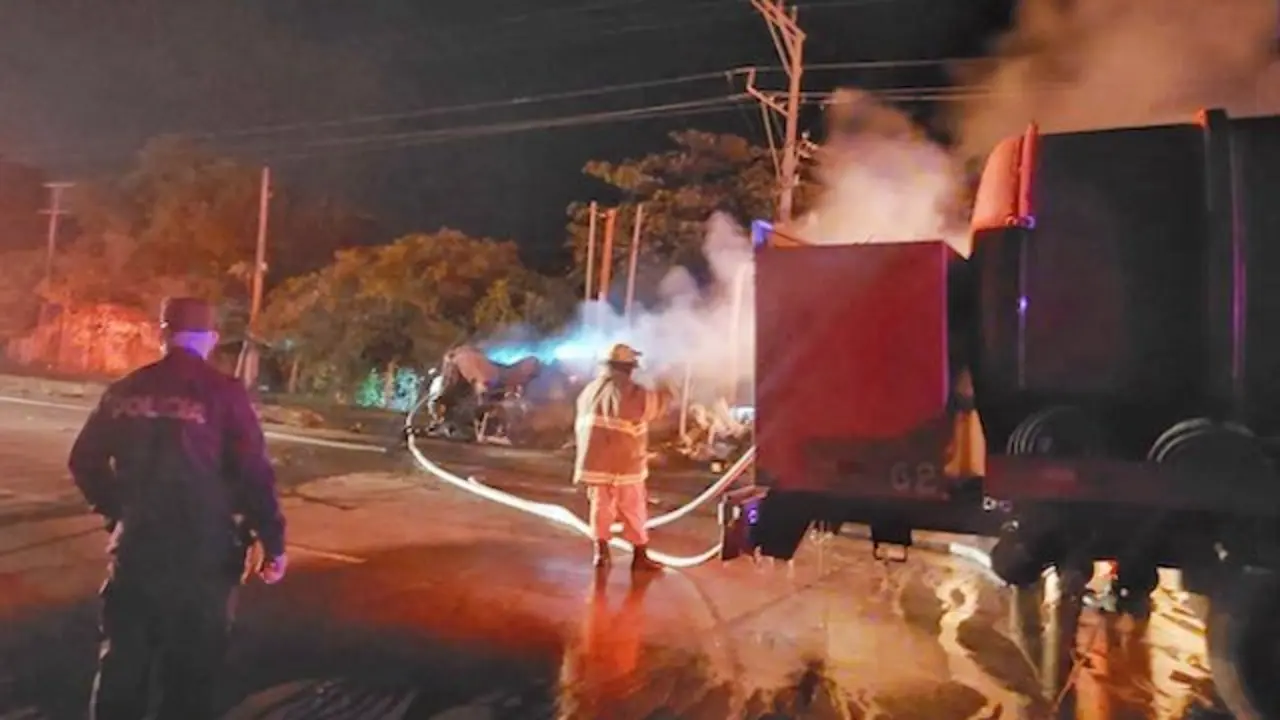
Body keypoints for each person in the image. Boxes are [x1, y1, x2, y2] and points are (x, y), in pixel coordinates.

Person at [68, 297, 287, 720]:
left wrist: (118, 510)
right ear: (212, 339)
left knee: (122, 668)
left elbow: (84, 461)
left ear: (162, 334)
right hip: (203, 557)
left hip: (137, 550)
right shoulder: (225, 394)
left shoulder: (125, 390)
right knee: (190, 676)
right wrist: (273, 542)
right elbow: (253, 473)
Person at [572, 343, 673, 573]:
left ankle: (601, 554)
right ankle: (640, 557)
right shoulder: (629, 391)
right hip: (625, 463)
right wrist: (665, 385)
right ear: (628, 367)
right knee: (633, 509)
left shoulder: (589, 391)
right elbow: (655, 407)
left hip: (595, 463)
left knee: (600, 508)